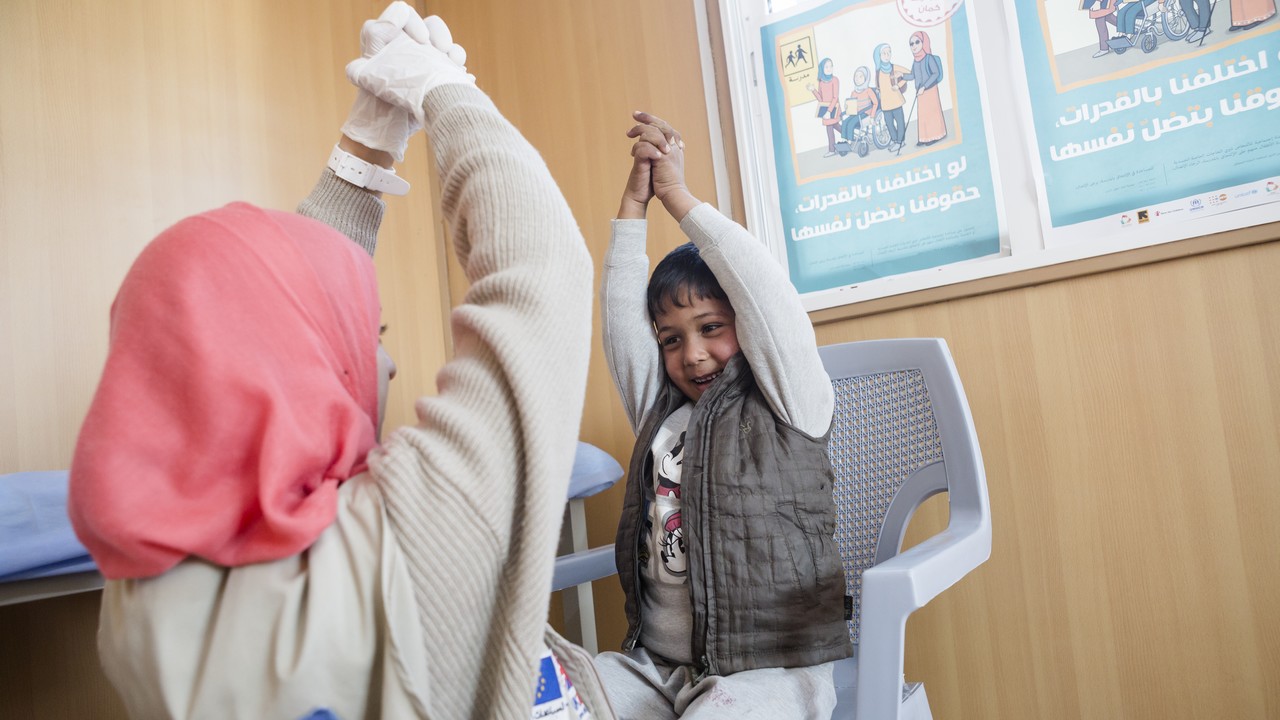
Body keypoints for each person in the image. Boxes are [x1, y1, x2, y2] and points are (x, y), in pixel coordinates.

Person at [67, 4, 611, 719]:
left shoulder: (140, 593)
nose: (384, 363)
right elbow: (544, 273)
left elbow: (269, 307)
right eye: (369, 333)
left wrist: (371, 139)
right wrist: (445, 90)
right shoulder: (399, 547)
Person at [592, 111, 851, 719]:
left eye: (711, 328)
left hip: (771, 672)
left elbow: (766, 296)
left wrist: (677, 198)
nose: (694, 354)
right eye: (672, 339)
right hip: (654, 668)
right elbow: (623, 328)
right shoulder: (663, 414)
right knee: (540, 699)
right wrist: (633, 207)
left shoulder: (792, 401)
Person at [908, 31, 947, 147]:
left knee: (932, 113)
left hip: (930, 90)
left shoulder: (928, 58)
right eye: (911, 44)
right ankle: (924, 138)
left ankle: (936, 135)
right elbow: (912, 75)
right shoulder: (915, 61)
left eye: (917, 42)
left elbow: (935, 73)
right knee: (923, 115)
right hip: (920, 92)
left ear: (923, 42)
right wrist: (901, 76)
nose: (914, 46)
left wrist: (924, 86)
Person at [873, 43, 911, 153]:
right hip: (885, 103)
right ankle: (895, 140)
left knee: (899, 121)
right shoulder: (878, 71)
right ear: (878, 56)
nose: (887, 55)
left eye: (889, 52)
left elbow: (908, 73)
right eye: (884, 53)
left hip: (896, 101)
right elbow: (878, 86)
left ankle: (900, 141)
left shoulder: (894, 67)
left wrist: (898, 85)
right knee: (889, 123)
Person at [806, 58, 842, 157]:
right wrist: (813, 90)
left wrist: (829, 111)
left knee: (831, 127)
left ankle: (832, 149)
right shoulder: (821, 82)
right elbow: (821, 99)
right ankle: (847, 137)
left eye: (831, 66)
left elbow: (835, 98)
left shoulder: (835, 80)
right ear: (822, 68)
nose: (829, 68)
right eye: (826, 67)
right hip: (825, 110)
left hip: (833, 109)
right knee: (834, 126)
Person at [840, 66, 880, 143]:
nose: (857, 79)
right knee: (845, 122)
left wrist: (872, 116)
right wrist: (847, 108)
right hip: (856, 113)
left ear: (866, 79)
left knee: (851, 123)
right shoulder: (853, 92)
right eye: (856, 76)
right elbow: (852, 107)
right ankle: (844, 140)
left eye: (861, 77)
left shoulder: (868, 91)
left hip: (865, 113)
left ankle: (850, 141)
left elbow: (875, 103)